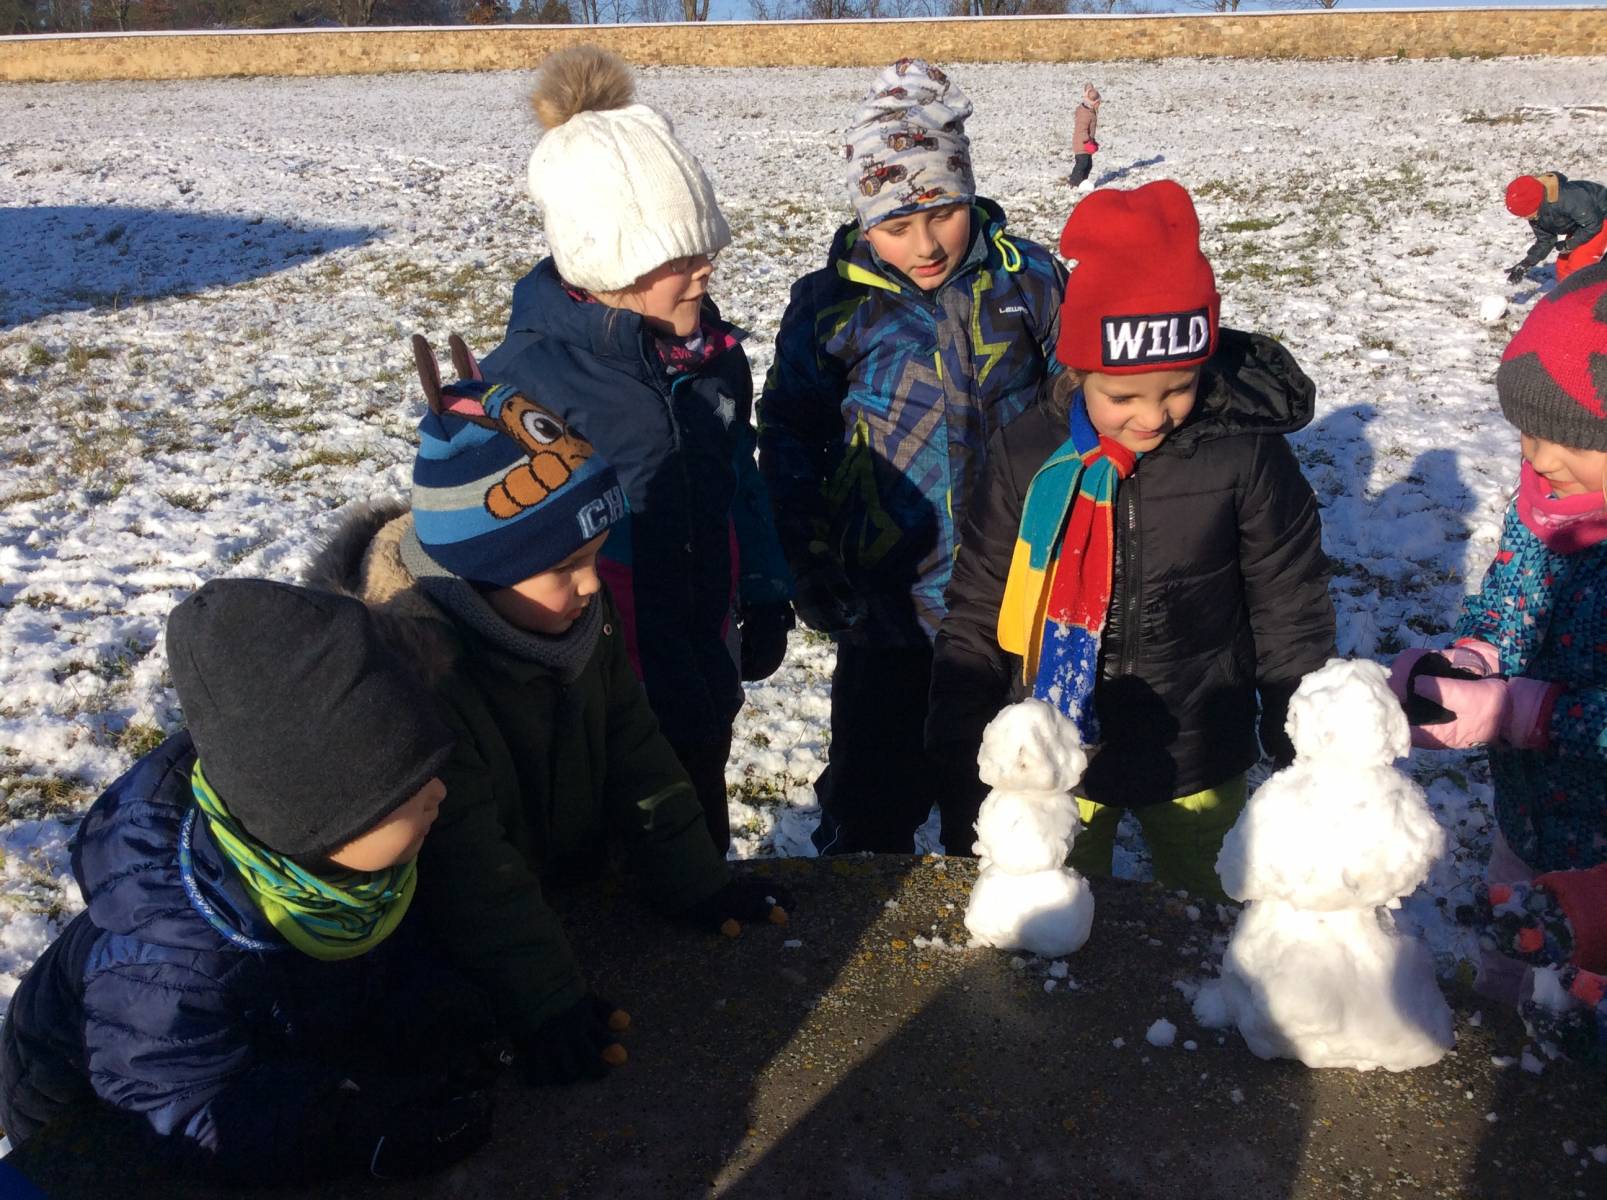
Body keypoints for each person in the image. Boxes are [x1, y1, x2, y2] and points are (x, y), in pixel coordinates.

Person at [307, 340, 793, 1089]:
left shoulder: (569, 617)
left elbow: (634, 747)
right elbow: (469, 863)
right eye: (565, 567)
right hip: (452, 948)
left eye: (596, 555)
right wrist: (543, 1001)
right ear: (480, 571)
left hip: (562, 889)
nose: (593, 586)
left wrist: (697, 881)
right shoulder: (422, 678)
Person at [0, 579, 493, 1183]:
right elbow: (185, 1111)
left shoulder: (352, 872)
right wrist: (353, 1131)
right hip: (94, 1125)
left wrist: (438, 1021)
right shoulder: (172, 965)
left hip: (259, 1054)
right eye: (407, 787)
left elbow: (385, 962)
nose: (439, 790)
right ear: (316, 818)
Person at [928, 180, 1335, 902]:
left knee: (1209, 905)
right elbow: (982, 601)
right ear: (1078, 370)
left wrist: (1296, 728)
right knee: (1060, 909)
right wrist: (961, 741)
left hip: (1196, 743)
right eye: (1121, 397)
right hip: (1056, 753)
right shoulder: (1028, 454)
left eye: (1177, 389)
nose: (1151, 418)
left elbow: (1287, 599)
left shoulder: (1242, 454)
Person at [476, 45, 793, 855]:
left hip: (702, 645)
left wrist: (762, 586)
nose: (705, 271)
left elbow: (736, 475)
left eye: (706, 248)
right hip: (604, 677)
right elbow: (492, 543)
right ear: (606, 260)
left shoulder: (711, 357)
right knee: (620, 852)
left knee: (699, 818)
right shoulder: (527, 380)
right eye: (678, 258)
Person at [758, 58, 1067, 856]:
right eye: (896, 226)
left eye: (944, 213)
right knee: (870, 801)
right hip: (884, 599)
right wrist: (807, 557)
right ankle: (860, 898)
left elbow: (1082, 403)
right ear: (864, 221)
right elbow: (789, 430)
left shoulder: (1027, 282)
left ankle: (1001, 912)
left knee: (999, 809)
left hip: (1008, 593)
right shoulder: (832, 306)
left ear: (970, 194)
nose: (925, 244)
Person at [1389, 262, 1607, 1002]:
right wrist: (1474, 656)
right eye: (1527, 434)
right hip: (1527, 816)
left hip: (1600, 861)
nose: (1539, 458)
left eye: (1569, 440)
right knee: (1507, 949)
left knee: (1580, 991)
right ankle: (1495, 1019)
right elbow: (1510, 600)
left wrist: (1525, 712)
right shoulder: (1546, 502)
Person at [1505, 172, 1607, 284]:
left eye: (1526, 213)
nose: (1525, 218)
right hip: (1581, 223)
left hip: (1600, 217)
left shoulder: (1567, 198)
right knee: (1562, 266)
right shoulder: (1536, 215)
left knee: (1579, 264)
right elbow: (1546, 240)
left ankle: (1589, 292)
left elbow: (1593, 223)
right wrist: (1526, 264)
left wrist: (1570, 244)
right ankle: (1567, 292)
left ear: (1535, 203)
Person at [1067, 83, 1101, 191]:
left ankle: (1083, 182)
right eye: (1098, 103)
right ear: (1094, 103)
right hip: (1081, 144)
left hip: (1086, 143)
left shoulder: (1089, 110)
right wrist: (1088, 142)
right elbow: (1082, 130)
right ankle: (1073, 183)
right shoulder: (1085, 114)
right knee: (1082, 164)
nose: (1099, 105)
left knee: (1088, 164)